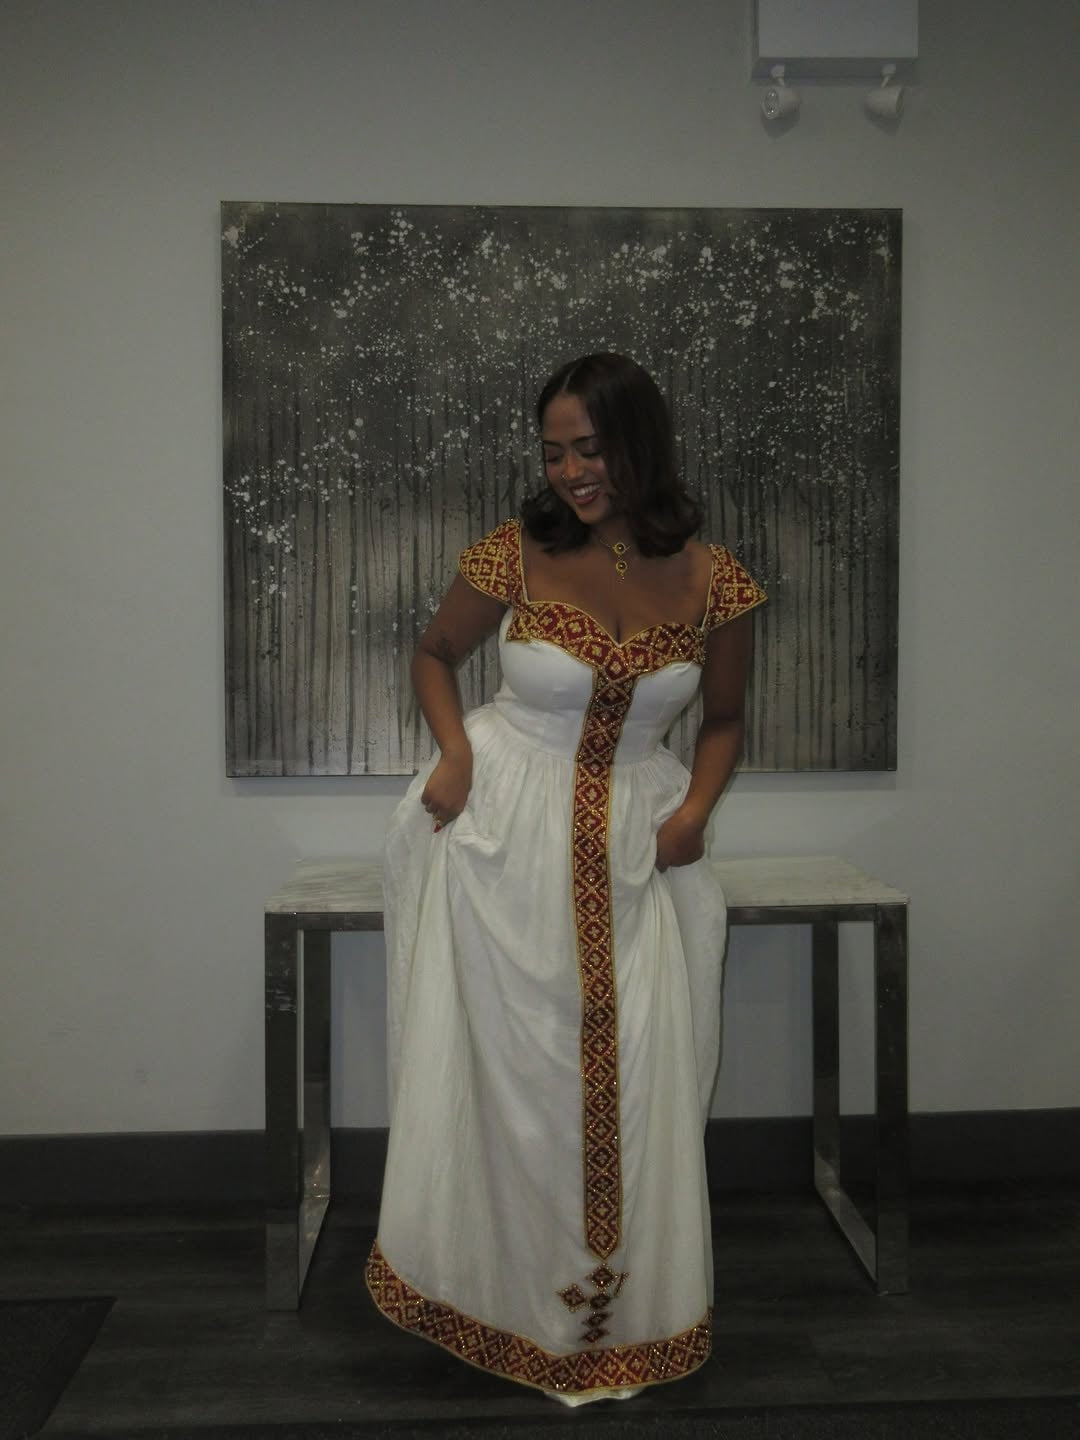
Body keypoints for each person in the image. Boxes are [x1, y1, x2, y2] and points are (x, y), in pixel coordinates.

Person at [367, 353, 766, 1403]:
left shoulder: (716, 578)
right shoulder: (516, 553)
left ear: (642, 442)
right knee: (511, 1081)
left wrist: (694, 812)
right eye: (554, 450)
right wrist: (451, 755)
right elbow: (433, 653)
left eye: (588, 447)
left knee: (638, 1073)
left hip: (641, 845)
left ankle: (612, 1320)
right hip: (500, 838)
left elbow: (721, 720)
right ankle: (499, 1300)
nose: (571, 471)